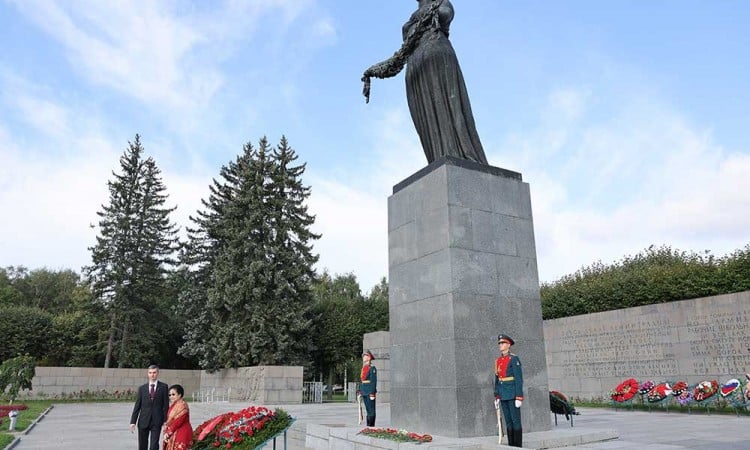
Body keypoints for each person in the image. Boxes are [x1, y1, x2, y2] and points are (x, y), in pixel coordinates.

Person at [362, 0, 489, 166]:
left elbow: (445, 15)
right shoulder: (411, 22)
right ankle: (439, 161)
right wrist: (372, 71)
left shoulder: (441, 3)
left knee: (450, 109)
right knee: (427, 126)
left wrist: (426, 16)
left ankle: (460, 156)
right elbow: (398, 57)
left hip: (437, 56)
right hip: (415, 69)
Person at [493, 334, 523, 447]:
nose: (500, 345)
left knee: (515, 421)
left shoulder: (514, 359)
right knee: (508, 422)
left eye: (502, 343)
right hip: (503, 394)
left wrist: (519, 396)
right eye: (499, 343)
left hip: (512, 394)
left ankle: (518, 445)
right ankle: (511, 445)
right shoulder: (498, 360)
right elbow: (497, 379)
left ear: (508, 345)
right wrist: (496, 395)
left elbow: (519, 379)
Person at [130, 364, 170, 450]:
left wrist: (165, 421)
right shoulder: (142, 388)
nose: (152, 375)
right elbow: (137, 405)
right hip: (143, 421)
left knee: (154, 445)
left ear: (158, 373)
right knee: (142, 446)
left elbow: (166, 405)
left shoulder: (163, 387)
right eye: (150, 373)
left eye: (154, 372)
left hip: (157, 421)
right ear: (148, 374)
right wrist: (133, 421)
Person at [162, 384, 193, 450]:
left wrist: (168, 433)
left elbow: (178, 422)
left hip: (182, 433)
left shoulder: (182, 405)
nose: (171, 397)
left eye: (173, 394)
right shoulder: (173, 405)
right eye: (169, 395)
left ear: (179, 395)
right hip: (173, 433)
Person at [359, 350, 378, 426]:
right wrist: (360, 390)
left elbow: (373, 381)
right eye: (363, 356)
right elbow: (362, 381)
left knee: (371, 409)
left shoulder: (372, 368)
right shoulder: (364, 368)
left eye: (365, 356)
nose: (363, 357)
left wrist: (372, 393)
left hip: (370, 392)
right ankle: (368, 425)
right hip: (364, 391)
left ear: (369, 358)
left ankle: (371, 425)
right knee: (367, 409)